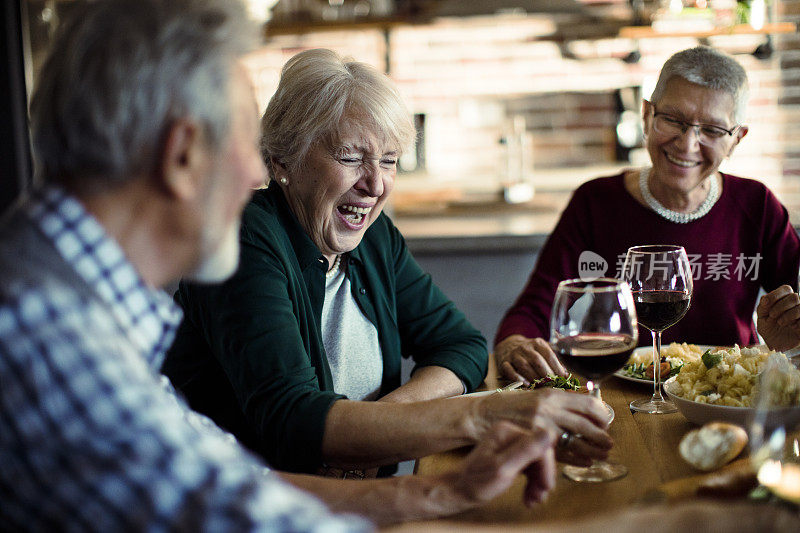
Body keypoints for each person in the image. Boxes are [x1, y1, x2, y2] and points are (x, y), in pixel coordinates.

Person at [0, 0, 579, 529]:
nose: (254, 174)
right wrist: (480, 417)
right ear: (182, 155)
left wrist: (442, 493)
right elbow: (255, 508)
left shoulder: (74, 305)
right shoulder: (48, 333)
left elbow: (228, 479)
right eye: (242, 144)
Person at [162, 48, 613, 477]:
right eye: (351, 157)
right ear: (283, 158)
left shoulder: (373, 238)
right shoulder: (244, 239)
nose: (375, 184)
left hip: (371, 495)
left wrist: (381, 421)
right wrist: (474, 414)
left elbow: (463, 346)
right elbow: (292, 421)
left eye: (390, 160)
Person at [494, 46, 800, 384]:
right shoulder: (596, 202)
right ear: (646, 117)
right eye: (672, 119)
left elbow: (796, 299)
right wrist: (515, 345)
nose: (687, 145)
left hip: (730, 394)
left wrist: (788, 335)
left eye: (712, 130)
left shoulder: (756, 204)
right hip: (618, 395)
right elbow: (536, 307)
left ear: (736, 139)